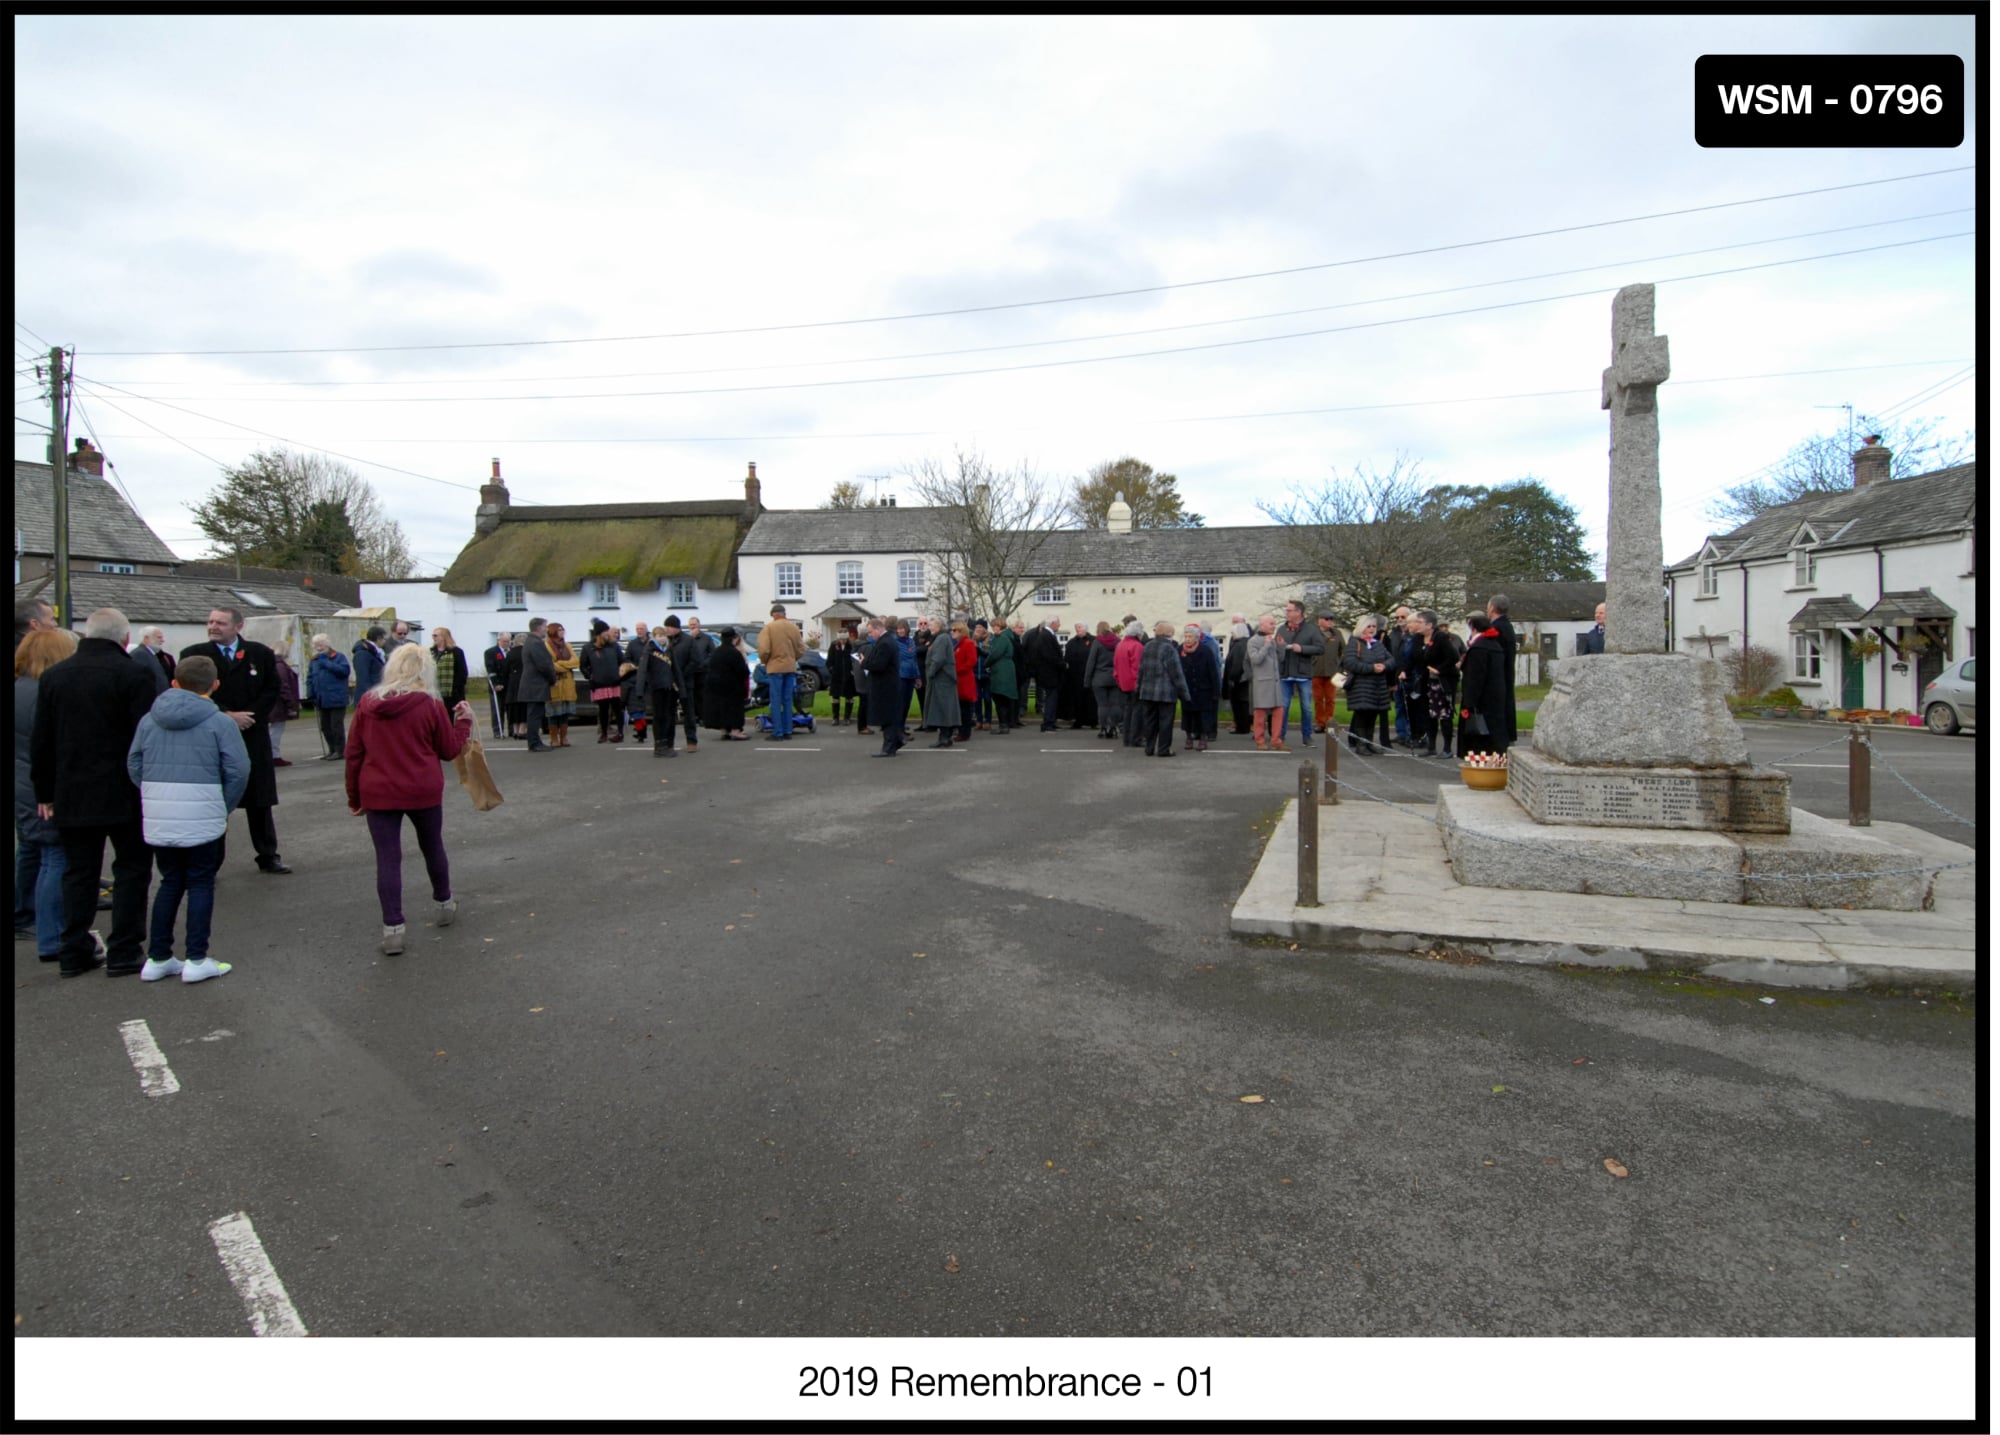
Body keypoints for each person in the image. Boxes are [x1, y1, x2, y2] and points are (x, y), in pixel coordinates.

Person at [31, 608, 157, 977]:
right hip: (124, 789)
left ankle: (73, 949)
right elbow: (143, 736)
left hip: (71, 789)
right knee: (132, 869)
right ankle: (124, 949)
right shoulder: (135, 674)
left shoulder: (55, 677)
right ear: (124, 638)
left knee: (78, 872)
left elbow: (43, 740)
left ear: (86, 635)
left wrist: (44, 791)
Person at [124, 654, 250, 984]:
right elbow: (238, 770)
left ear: (174, 682)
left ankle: (159, 955)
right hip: (203, 807)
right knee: (200, 881)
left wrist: (154, 794)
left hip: (160, 810)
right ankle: (196, 957)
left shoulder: (148, 721)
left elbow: (134, 764)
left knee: (169, 881)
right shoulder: (220, 722)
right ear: (214, 685)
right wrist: (223, 804)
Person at [344, 644, 473, 956]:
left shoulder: (368, 703)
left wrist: (354, 796)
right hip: (421, 787)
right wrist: (464, 723)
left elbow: (354, 753)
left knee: (387, 858)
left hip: (378, 789)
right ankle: (444, 903)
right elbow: (447, 749)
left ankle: (393, 928)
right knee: (432, 846)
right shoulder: (430, 704)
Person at [183, 606, 289, 874]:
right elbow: (191, 693)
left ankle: (268, 855)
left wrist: (249, 716)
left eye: (220, 622)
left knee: (259, 800)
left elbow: (271, 689)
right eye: (210, 622)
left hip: (252, 734)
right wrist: (227, 716)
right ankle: (211, 861)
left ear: (238, 626)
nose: (213, 626)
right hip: (212, 737)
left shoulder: (260, 654)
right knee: (215, 801)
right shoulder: (194, 655)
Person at [14, 629, 79, 959]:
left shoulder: (20, 687)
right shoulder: (44, 692)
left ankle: (24, 914)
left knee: (31, 852)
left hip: (23, 784)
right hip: (42, 787)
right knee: (55, 857)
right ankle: (52, 937)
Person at [1458, 611, 1512, 759]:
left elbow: (1475, 679)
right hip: (1496, 698)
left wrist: (1469, 704)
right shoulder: (1495, 646)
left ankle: (1480, 764)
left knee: (1479, 736)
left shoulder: (1478, 649)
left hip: (1481, 702)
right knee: (1494, 734)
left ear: (1474, 629)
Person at [1340, 615, 1396, 755]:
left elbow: (1391, 660)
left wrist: (1383, 666)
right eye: (1368, 626)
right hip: (1361, 686)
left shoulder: (1377, 644)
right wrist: (1371, 668)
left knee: (1372, 715)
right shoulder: (1354, 643)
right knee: (1362, 715)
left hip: (1377, 686)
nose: (1371, 629)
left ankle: (1369, 742)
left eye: (1374, 627)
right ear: (1361, 627)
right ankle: (1361, 744)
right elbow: (1350, 663)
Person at [1135, 621, 1191, 757]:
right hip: (1166, 692)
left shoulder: (1147, 646)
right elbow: (1176, 674)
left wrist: (1138, 688)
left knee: (1150, 722)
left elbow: (1141, 670)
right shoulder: (1169, 648)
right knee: (1165, 722)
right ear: (1170, 634)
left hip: (1147, 691)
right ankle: (1163, 749)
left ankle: (1149, 748)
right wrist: (1185, 694)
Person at [1274, 600, 1324, 747]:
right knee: (1283, 706)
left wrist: (1301, 648)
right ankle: (1280, 737)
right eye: (1286, 610)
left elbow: (1320, 648)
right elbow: (1276, 649)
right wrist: (1281, 647)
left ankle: (1307, 737)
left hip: (1303, 673)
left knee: (1306, 707)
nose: (1286, 613)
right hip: (1285, 672)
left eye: (1289, 610)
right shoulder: (1282, 629)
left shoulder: (1311, 629)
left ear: (1299, 612)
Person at [756, 604, 806, 741]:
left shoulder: (769, 628)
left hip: (775, 667)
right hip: (790, 667)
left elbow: (764, 649)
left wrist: (766, 661)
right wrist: (792, 658)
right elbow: (801, 648)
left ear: (774, 614)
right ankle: (788, 730)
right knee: (788, 699)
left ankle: (777, 732)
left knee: (776, 700)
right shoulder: (794, 627)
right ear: (784, 614)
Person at [1417, 610, 1461, 757]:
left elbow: (1454, 656)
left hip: (1443, 682)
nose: (1417, 625)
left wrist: (1439, 669)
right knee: (1430, 714)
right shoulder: (1420, 638)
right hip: (1428, 682)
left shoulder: (1440, 637)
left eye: (1420, 622)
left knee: (1444, 713)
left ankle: (1447, 748)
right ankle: (1431, 747)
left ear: (1429, 625)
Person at [862, 617, 906, 756]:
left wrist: (864, 663)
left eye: (870, 632)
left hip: (886, 685)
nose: (870, 635)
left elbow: (879, 664)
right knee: (889, 716)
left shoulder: (885, 643)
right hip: (888, 683)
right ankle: (896, 740)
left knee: (887, 717)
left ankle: (889, 747)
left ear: (878, 628)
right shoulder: (885, 641)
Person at [512, 618, 556, 752]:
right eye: (545, 627)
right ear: (538, 628)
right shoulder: (535, 643)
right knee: (534, 715)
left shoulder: (531, 642)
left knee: (534, 714)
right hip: (535, 685)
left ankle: (535, 741)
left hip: (533, 684)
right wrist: (552, 678)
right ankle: (534, 743)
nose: (546, 629)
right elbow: (544, 665)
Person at [307, 634, 352, 759]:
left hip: (336, 697)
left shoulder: (338, 657)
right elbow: (310, 677)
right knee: (325, 727)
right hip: (321, 698)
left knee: (336, 726)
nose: (318, 648)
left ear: (327, 644)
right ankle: (332, 749)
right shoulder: (314, 660)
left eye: (321, 644)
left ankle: (340, 750)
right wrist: (310, 692)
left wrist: (326, 663)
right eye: (316, 645)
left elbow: (344, 672)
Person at [641, 619, 682, 757]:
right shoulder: (650, 650)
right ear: (654, 637)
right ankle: (659, 746)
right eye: (659, 636)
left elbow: (676, 670)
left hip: (669, 688)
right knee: (659, 717)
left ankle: (668, 744)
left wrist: (681, 688)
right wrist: (640, 690)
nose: (662, 638)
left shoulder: (669, 650)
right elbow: (642, 670)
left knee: (669, 717)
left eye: (663, 635)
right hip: (657, 688)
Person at [1245, 615, 1284, 749]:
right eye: (1271, 624)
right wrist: (1267, 645)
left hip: (1274, 682)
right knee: (1260, 713)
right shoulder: (1253, 641)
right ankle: (1260, 741)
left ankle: (1276, 740)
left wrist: (1281, 646)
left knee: (1278, 711)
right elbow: (1255, 660)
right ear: (1262, 625)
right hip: (1262, 682)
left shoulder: (1272, 640)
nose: (1274, 626)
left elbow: (1279, 660)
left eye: (1274, 624)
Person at [704, 628, 751, 740]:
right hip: (733, 686)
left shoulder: (716, 652)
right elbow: (743, 671)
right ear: (733, 639)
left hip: (715, 685)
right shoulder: (734, 653)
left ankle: (724, 730)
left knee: (721, 708)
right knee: (734, 708)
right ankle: (735, 731)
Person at [1179, 624, 1219, 753]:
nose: (1188, 639)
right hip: (1187, 688)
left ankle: (1203, 738)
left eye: (1190, 636)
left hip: (1203, 689)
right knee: (1188, 715)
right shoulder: (1179, 649)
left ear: (1196, 638)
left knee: (1203, 715)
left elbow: (1213, 671)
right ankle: (1188, 737)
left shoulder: (1205, 650)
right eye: (1186, 636)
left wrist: (1215, 690)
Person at [922, 616, 961, 747]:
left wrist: (930, 673)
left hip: (942, 679)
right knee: (944, 708)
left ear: (939, 626)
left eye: (932, 625)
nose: (929, 627)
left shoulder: (941, 639)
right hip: (944, 679)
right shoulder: (942, 638)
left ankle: (944, 738)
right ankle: (945, 737)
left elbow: (938, 659)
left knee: (942, 709)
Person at [585, 624, 628, 743]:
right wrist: (591, 676)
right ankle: (603, 733)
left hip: (614, 682)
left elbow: (622, 661)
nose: (608, 634)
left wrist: (620, 675)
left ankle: (620, 733)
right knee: (603, 710)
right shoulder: (589, 647)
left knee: (618, 709)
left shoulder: (614, 646)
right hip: (599, 684)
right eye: (605, 632)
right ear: (599, 633)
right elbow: (584, 665)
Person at [1487, 594, 1519, 747]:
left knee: (1499, 709)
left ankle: (1502, 741)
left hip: (1498, 676)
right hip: (1506, 673)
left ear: (1492, 608)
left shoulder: (1497, 628)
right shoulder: (1507, 625)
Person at [1026, 617, 1067, 732]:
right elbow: (1049, 655)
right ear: (1053, 624)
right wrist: (1062, 664)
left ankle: (1051, 721)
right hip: (1049, 673)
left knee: (1052, 698)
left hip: (1049, 673)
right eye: (1058, 623)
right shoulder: (1046, 636)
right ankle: (1048, 723)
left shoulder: (1046, 635)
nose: (1059, 625)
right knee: (1051, 699)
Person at [1308, 611, 1344, 738]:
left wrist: (1338, 666)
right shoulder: (1312, 633)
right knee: (1318, 699)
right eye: (1327, 619)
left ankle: (1329, 722)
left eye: (1331, 619)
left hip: (1331, 672)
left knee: (1330, 699)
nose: (1330, 621)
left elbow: (1342, 651)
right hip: (1316, 671)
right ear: (1320, 620)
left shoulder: (1337, 634)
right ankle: (1320, 723)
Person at [1084, 621, 1122, 740]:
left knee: (1102, 705)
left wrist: (1087, 680)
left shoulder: (1097, 642)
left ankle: (1103, 727)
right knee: (1115, 704)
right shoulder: (1118, 642)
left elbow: (1091, 662)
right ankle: (1114, 727)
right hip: (1115, 677)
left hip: (1099, 678)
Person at [544, 622, 579, 748]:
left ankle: (564, 737)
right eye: (559, 630)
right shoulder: (546, 646)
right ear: (553, 631)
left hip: (568, 683)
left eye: (563, 629)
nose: (562, 631)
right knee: (553, 713)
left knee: (565, 713)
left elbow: (576, 661)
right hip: (555, 683)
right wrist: (565, 664)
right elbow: (551, 664)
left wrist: (561, 663)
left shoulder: (567, 645)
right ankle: (554, 738)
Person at [983, 618, 1020, 734]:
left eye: (996, 626)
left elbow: (995, 654)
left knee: (999, 698)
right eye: (993, 626)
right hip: (1003, 670)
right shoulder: (1004, 637)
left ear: (1001, 626)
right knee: (1002, 698)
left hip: (1002, 671)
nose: (994, 629)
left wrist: (985, 664)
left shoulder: (1002, 638)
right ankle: (1004, 724)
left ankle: (1003, 725)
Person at [1114, 620, 1145, 747]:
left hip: (1123, 682)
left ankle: (1127, 738)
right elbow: (1137, 667)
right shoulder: (1137, 646)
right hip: (1134, 683)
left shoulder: (1120, 645)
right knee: (1137, 712)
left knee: (1127, 711)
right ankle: (1135, 738)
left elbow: (1115, 665)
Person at [268, 652, 302, 766]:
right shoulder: (280, 666)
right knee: (276, 731)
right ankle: (274, 756)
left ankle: (273, 755)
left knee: (274, 730)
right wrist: (290, 703)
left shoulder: (274, 664)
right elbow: (283, 685)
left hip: (275, 703)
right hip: (278, 704)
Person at [1223, 619, 1253, 735]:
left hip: (1239, 681)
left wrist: (1232, 678)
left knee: (1240, 705)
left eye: (1233, 633)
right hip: (1244, 679)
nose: (1232, 635)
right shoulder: (1246, 643)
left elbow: (1237, 664)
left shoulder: (1239, 645)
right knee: (1243, 704)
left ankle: (1242, 727)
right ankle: (1244, 726)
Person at [1064, 622, 1096, 730]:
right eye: (1076, 628)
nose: (1078, 629)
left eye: (1080, 627)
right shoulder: (1072, 642)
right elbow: (1067, 657)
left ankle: (1093, 721)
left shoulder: (1093, 641)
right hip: (1075, 676)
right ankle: (1078, 720)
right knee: (1077, 699)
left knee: (1091, 699)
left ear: (1086, 629)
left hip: (1090, 674)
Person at [623, 622, 652, 741]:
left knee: (645, 706)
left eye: (641, 629)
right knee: (636, 707)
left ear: (646, 630)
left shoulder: (652, 643)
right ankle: (641, 731)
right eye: (637, 629)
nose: (639, 631)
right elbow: (627, 659)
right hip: (636, 679)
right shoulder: (632, 644)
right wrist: (634, 666)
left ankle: (642, 730)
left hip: (650, 679)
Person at [952, 620, 978, 743]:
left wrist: (957, 670)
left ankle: (965, 732)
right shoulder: (959, 644)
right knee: (961, 707)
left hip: (965, 679)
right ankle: (961, 730)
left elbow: (971, 661)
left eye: (954, 630)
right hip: (959, 679)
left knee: (965, 708)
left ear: (961, 631)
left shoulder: (968, 644)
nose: (952, 633)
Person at [430, 626, 469, 709]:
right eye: (433, 635)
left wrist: (456, 689)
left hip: (452, 693)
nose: (433, 638)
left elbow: (462, 672)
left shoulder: (456, 652)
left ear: (444, 637)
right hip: (434, 691)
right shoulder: (431, 652)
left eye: (435, 635)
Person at [826, 628, 859, 725]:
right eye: (841, 639)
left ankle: (847, 717)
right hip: (836, 676)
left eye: (844, 639)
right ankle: (835, 718)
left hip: (849, 676)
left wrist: (853, 671)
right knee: (835, 697)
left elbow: (855, 659)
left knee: (849, 696)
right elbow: (829, 660)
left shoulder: (851, 646)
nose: (842, 641)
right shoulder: (834, 645)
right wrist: (832, 670)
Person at [482, 632, 512, 738]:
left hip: (510, 685)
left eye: (508, 641)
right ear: (499, 641)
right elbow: (491, 669)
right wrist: (495, 684)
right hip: (497, 685)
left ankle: (512, 730)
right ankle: (498, 731)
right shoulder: (490, 652)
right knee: (497, 709)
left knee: (510, 709)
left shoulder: (511, 651)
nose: (506, 643)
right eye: (504, 641)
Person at [129, 626, 170, 696]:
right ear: (146, 638)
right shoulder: (140, 654)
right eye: (159, 637)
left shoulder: (150, 654)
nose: (163, 640)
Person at [354, 626, 388, 700]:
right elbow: (363, 678)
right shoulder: (363, 653)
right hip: (368, 697)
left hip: (377, 693)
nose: (385, 641)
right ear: (378, 639)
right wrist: (369, 697)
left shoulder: (377, 652)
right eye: (384, 639)